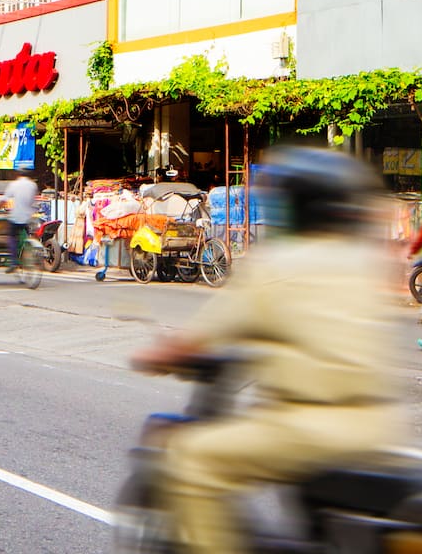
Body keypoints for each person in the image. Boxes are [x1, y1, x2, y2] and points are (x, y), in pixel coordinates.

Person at [130, 146, 399, 554]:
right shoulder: (364, 262)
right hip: (376, 426)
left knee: (192, 460)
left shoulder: (278, 265)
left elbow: (202, 337)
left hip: (305, 427)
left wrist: (157, 356)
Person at [4, 172, 38, 270]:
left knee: (12, 237)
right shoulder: (33, 185)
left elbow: (4, 200)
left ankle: (13, 261)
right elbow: (34, 200)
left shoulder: (14, 184)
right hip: (29, 217)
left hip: (16, 217)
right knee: (29, 235)